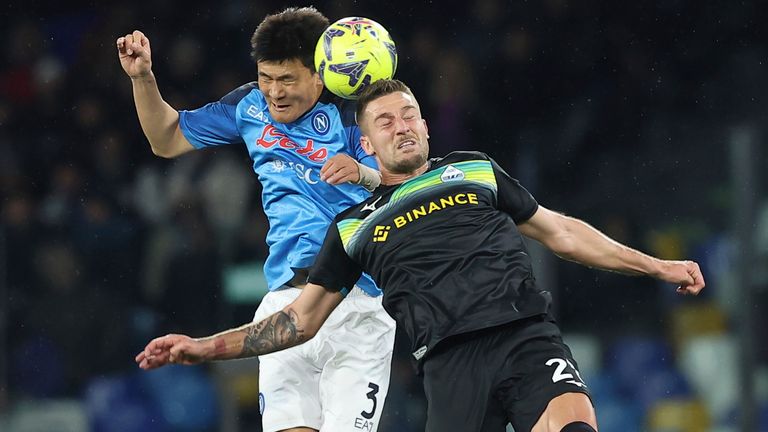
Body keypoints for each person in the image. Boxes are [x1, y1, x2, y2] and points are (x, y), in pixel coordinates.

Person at [135, 79, 705, 432]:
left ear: (426, 126)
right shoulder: (353, 227)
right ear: (367, 141)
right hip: (449, 365)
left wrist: (656, 266)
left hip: (527, 337)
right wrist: (201, 347)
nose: (401, 125)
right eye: (384, 121)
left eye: (409, 114)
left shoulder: (475, 169)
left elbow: (562, 233)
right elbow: (298, 322)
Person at [117, 7, 396, 432]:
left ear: (320, 75)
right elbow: (167, 138)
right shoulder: (249, 106)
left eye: (287, 80)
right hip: (284, 301)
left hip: (356, 302)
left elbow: (405, 183)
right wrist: (143, 78)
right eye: (266, 77)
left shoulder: (355, 113)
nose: (274, 92)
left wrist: (364, 173)